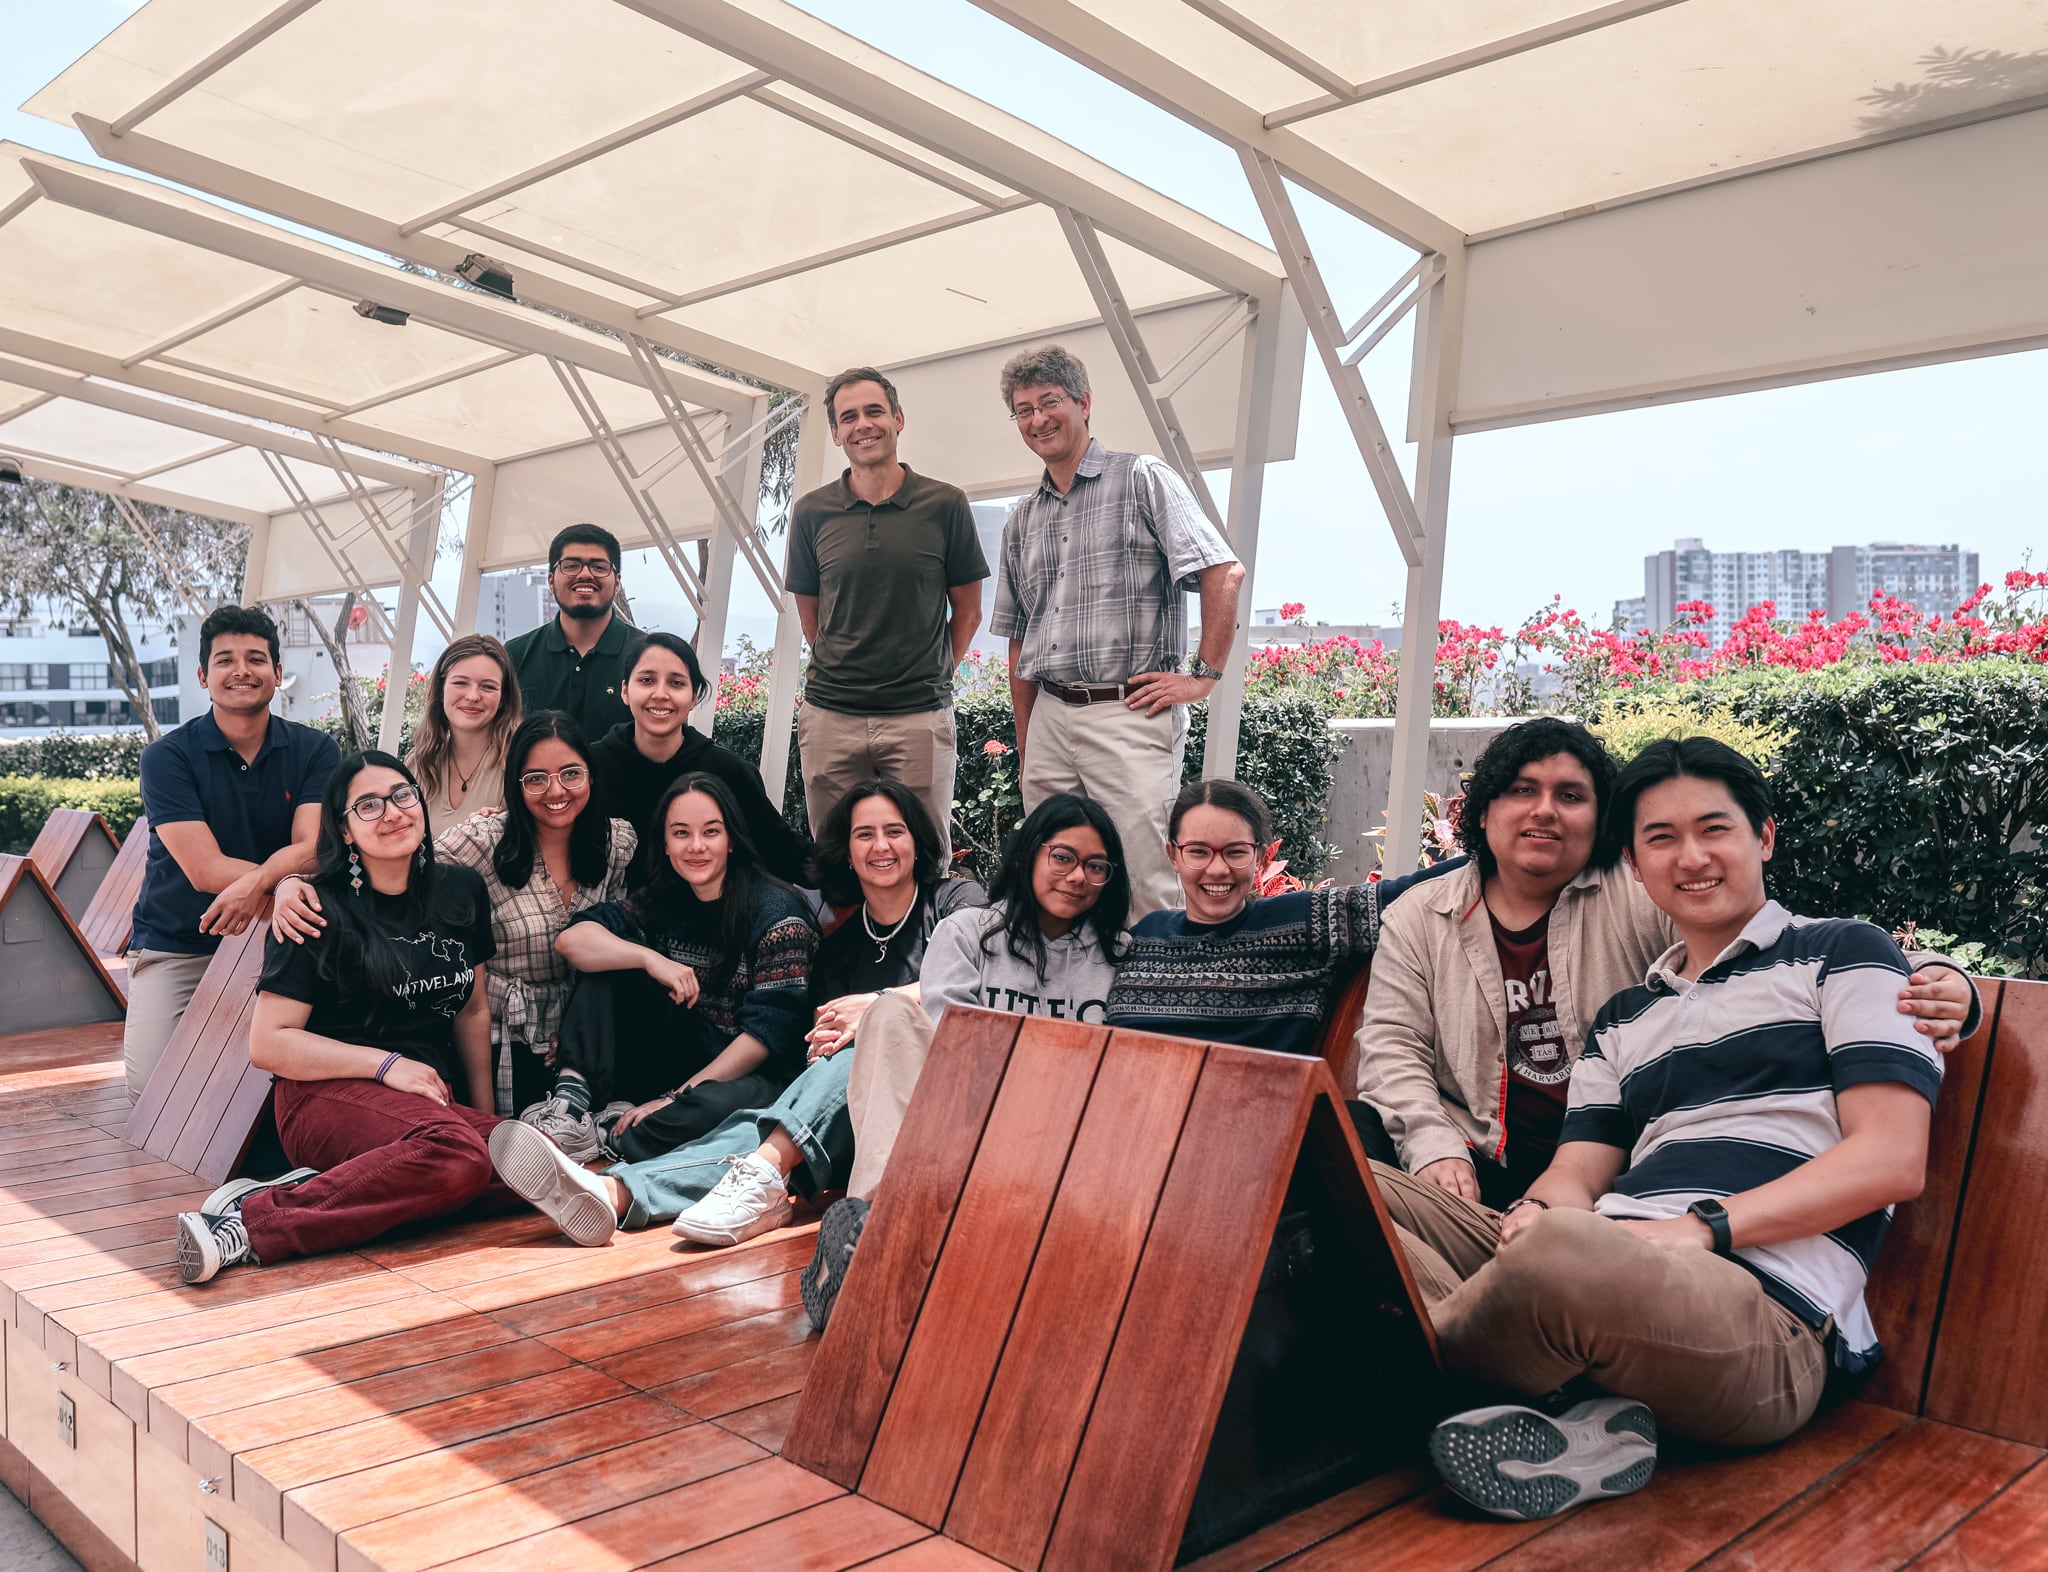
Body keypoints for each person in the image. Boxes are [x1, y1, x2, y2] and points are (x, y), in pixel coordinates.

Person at [1393, 737, 1942, 1520]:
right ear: (1634, 863)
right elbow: (1577, 1173)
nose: (1692, 857)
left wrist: (1701, 1230)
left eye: (1714, 829)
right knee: (1356, 1182)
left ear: (1764, 837)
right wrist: (1536, 1214)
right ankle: (1583, 1427)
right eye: (1662, 838)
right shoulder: (1626, 1018)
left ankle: (1392, 1367)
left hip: (1762, 1323)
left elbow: (1890, 1160)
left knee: (1558, 1253)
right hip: (1612, 1266)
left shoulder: (1844, 955)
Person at [493, 793, 1121, 1294]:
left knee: (843, 1062)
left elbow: (946, 1007)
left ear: (919, 841)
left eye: (896, 830)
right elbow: (820, 1031)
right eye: (864, 834)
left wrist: (877, 1006)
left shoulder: (955, 905)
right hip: (862, 1116)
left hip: (962, 1108)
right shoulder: (869, 944)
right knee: (781, 1117)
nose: (881, 846)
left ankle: (743, 1181)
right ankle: (616, 1192)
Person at [1354, 719, 1979, 1209]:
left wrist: (1940, 976)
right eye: (1522, 791)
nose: (1544, 810)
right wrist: (1436, 1151)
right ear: (1483, 811)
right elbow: (1391, 1045)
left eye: (1571, 796)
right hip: (1475, 1157)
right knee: (1338, 1145)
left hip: (1625, 1166)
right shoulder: (1419, 915)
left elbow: (1777, 934)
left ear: (1602, 824)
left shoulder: (1645, 886)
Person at [172, 752, 507, 1284]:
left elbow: (472, 1008)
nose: (392, 812)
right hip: (322, 1096)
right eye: (368, 805)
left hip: (423, 1106)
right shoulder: (312, 908)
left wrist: (488, 1122)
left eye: (402, 795)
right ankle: (250, 1223)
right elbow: (268, 1044)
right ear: (345, 832)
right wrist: (385, 1064)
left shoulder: (460, 888)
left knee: (530, 1164)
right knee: (458, 1159)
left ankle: (330, 1188)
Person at [271, 712, 637, 1116]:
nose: (556, 790)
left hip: (576, 1041)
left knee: (504, 1159)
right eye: (535, 778)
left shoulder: (615, 844)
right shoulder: (480, 843)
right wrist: (290, 881)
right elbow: (392, 861)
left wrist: (577, 1030)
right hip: (499, 1041)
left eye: (571, 773)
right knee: (471, 1156)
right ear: (515, 785)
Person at [990, 344, 1245, 917]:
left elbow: (1223, 572)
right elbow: (1018, 640)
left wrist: (1201, 678)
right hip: (1051, 715)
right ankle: (1067, 999)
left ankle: (1153, 1003)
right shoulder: (1021, 520)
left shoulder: (1141, 478)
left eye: (1050, 402)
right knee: (1052, 881)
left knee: (1143, 874)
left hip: (1127, 712)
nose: (1037, 419)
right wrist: (1028, 737)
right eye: (1024, 409)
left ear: (1083, 403)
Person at [526, 772, 817, 1167]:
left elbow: (764, 1039)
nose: (696, 847)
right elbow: (572, 940)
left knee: (716, 1108)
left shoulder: (777, 913)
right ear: (664, 844)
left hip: (753, 1076)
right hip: (681, 1055)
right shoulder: (665, 900)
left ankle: (611, 1135)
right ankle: (572, 1108)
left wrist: (674, 1098)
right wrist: (650, 959)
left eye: (711, 832)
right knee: (609, 960)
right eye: (681, 833)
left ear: (731, 839)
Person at [125, 606, 337, 1102]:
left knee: (302, 1077)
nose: (241, 670)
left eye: (256, 659)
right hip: (181, 939)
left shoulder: (315, 751)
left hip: (282, 933)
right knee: (153, 1092)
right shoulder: (167, 757)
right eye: (225, 660)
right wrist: (282, 883)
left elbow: (310, 850)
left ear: (278, 674)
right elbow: (205, 871)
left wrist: (274, 884)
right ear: (203, 676)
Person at [785, 367, 989, 856]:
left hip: (919, 717)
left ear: (898, 419)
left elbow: (969, 611)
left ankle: (925, 938)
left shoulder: (946, 505)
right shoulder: (812, 512)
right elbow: (811, 614)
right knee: (835, 857)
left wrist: (932, 671)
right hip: (830, 714)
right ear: (835, 433)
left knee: (924, 856)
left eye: (874, 411)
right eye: (848, 417)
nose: (863, 425)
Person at [1106, 778, 1455, 1055]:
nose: (1217, 869)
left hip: (1247, 1129)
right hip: (1133, 1126)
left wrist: (1501, 846)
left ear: (1260, 857)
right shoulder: (1143, 936)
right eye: (1198, 852)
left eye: (1235, 852)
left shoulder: (1300, 924)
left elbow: (1417, 892)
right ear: (1173, 855)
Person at [588, 630, 810, 887]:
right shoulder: (592, 768)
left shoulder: (728, 772)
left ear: (694, 697)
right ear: (625, 691)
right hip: (613, 918)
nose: (660, 694)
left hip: (713, 918)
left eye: (676, 683)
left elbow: (782, 852)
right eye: (647, 680)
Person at [502, 524, 637, 739]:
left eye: (599, 567)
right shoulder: (515, 656)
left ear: (617, 582)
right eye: (571, 565)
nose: (585, 574)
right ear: (551, 580)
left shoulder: (646, 656)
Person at [406, 634, 519, 824]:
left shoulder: (519, 765)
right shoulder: (417, 764)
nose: (473, 696)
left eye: (488, 687)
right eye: (460, 683)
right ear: (441, 690)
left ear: (503, 699)